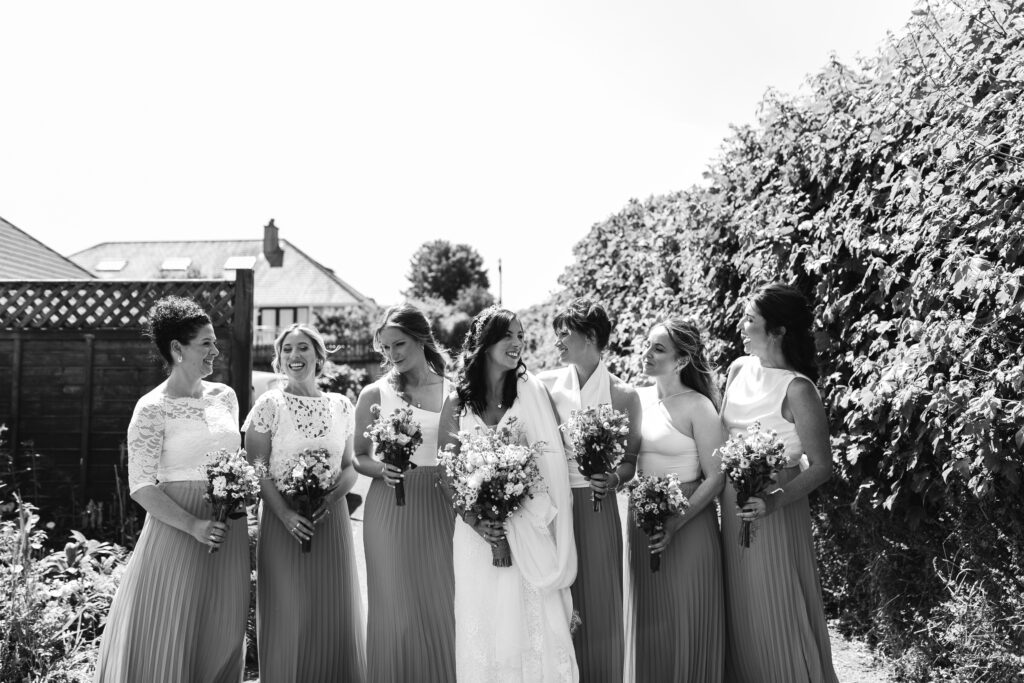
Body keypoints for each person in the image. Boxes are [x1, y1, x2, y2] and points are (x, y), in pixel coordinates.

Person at [94, 296, 248, 683]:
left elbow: (235, 460)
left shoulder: (225, 397)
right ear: (177, 349)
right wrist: (194, 525)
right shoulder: (152, 408)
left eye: (215, 341)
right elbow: (141, 486)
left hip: (226, 528)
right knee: (172, 629)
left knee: (223, 627)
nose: (215, 350)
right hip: (179, 531)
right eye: (206, 344)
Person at [438, 306, 579, 683]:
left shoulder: (531, 392)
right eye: (508, 336)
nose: (517, 343)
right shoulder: (457, 402)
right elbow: (447, 472)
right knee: (484, 624)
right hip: (474, 535)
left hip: (529, 528)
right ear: (485, 343)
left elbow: (550, 467)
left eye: (520, 336)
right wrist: (479, 523)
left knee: (532, 626)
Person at [721, 283, 838, 683]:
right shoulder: (738, 368)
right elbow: (722, 440)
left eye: (750, 319)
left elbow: (822, 466)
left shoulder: (799, 388)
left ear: (778, 330)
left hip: (777, 506)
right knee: (743, 609)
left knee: (777, 604)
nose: (741, 325)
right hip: (732, 502)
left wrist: (773, 500)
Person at [243, 323, 365, 683]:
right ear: (279, 360)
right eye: (287, 350)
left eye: (303, 348)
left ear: (319, 356)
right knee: (287, 609)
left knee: (333, 607)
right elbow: (256, 467)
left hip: (332, 520)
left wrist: (330, 497)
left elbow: (350, 467)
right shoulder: (269, 404)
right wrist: (284, 514)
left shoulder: (341, 405)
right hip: (283, 522)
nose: (295, 356)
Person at [537, 298, 641, 683]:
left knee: (601, 596)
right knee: (562, 597)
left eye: (564, 334)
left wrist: (613, 479)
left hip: (599, 508)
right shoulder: (547, 389)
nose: (557, 343)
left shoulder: (624, 395)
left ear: (591, 336)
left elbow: (630, 460)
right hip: (557, 506)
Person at [353, 304, 456, 683]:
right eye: (385, 348)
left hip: (441, 503)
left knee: (441, 600)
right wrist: (383, 469)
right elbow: (359, 456)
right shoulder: (374, 393)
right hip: (390, 506)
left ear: (421, 340)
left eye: (399, 345)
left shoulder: (455, 391)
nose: (392, 355)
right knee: (396, 606)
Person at [624, 318, 726, 682]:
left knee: (686, 618)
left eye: (658, 349)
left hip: (689, 523)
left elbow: (716, 476)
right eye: (647, 345)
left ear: (682, 360)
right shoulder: (638, 397)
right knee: (651, 623)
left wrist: (675, 521)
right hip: (643, 525)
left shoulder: (698, 406)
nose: (646, 354)